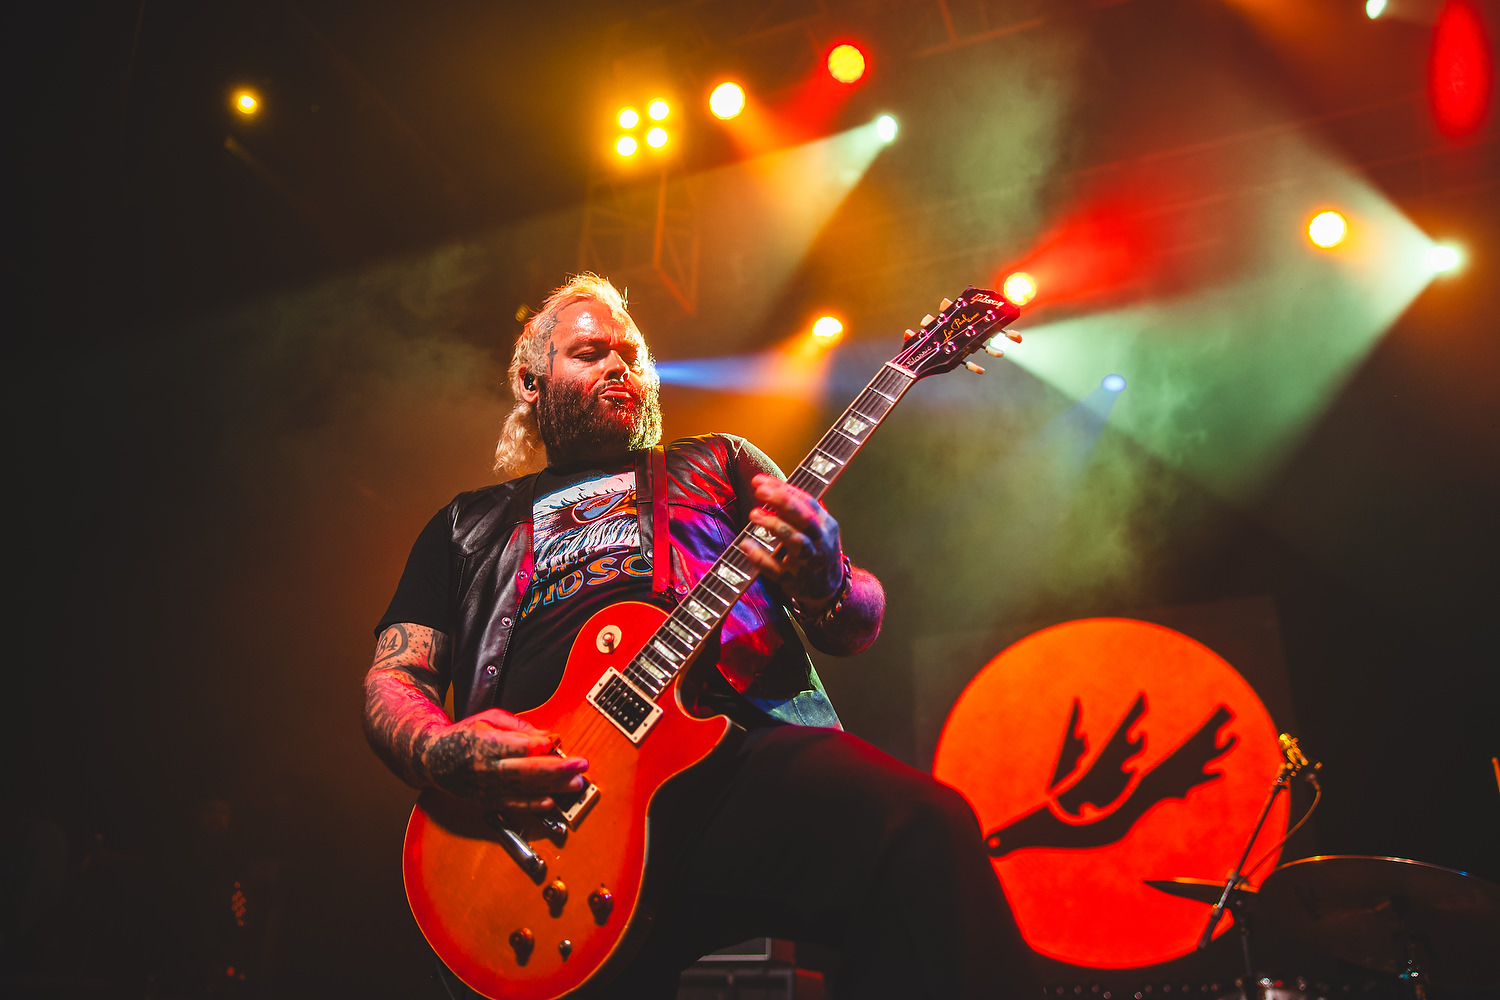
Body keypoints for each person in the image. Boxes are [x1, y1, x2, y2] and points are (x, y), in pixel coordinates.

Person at [363, 274, 1028, 998]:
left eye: (631, 355)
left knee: (921, 832)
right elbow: (395, 678)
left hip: (727, 766)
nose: (619, 367)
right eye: (590, 353)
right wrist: (442, 752)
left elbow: (856, 622)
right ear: (530, 382)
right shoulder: (466, 525)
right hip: (543, 813)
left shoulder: (718, 464)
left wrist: (826, 575)